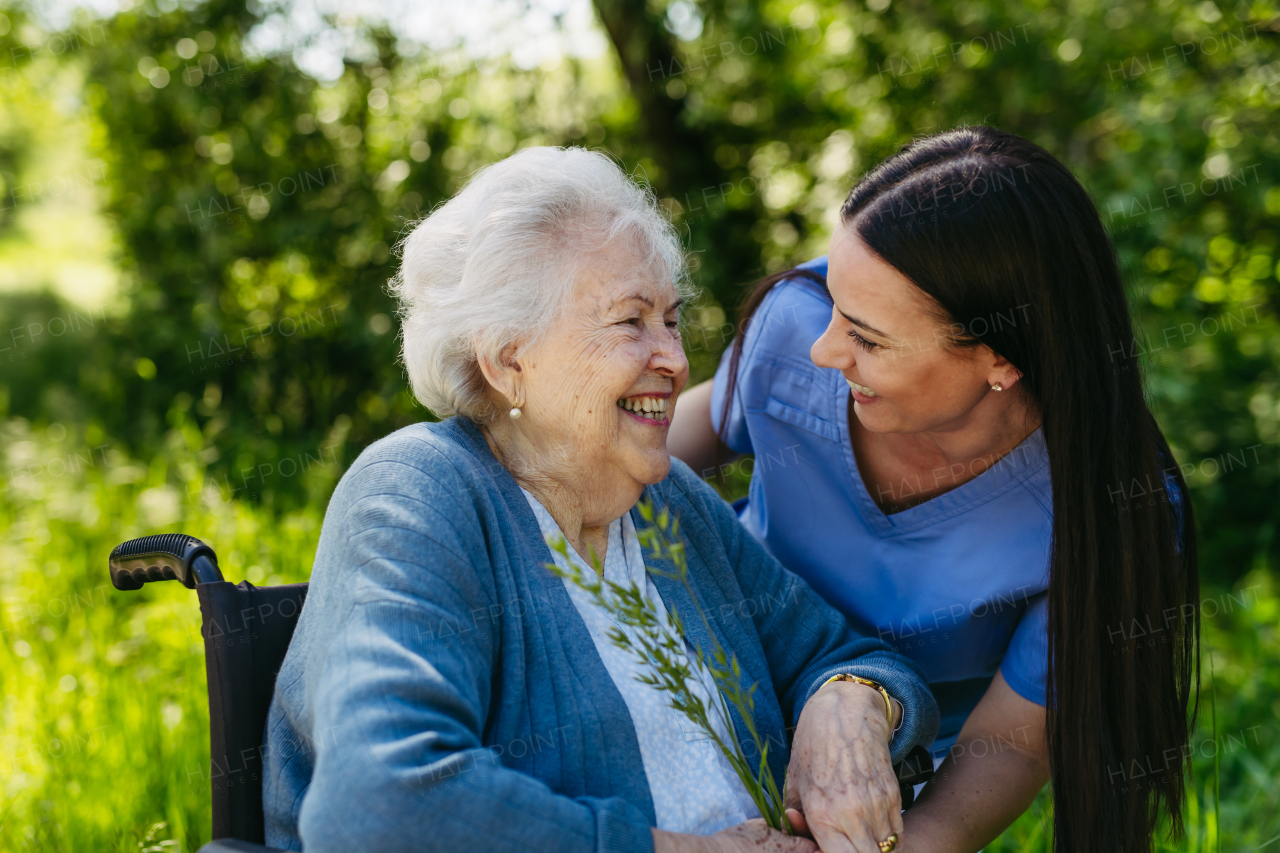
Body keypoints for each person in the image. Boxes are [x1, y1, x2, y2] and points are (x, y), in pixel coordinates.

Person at [261, 146, 939, 853]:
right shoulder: (419, 490)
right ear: (507, 361)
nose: (675, 360)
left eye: (671, 320)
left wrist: (853, 700)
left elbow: (842, 652)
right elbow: (382, 804)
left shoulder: (664, 500)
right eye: (629, 321)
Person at [669, 127, 1199, 853]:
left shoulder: (1106, 506)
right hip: (707, 672)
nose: (824, 349)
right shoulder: (794, 330)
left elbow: (1012, 743)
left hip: (899, 777)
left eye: (868, 337)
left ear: (999, 362)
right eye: (833, 299)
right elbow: (654, 449)